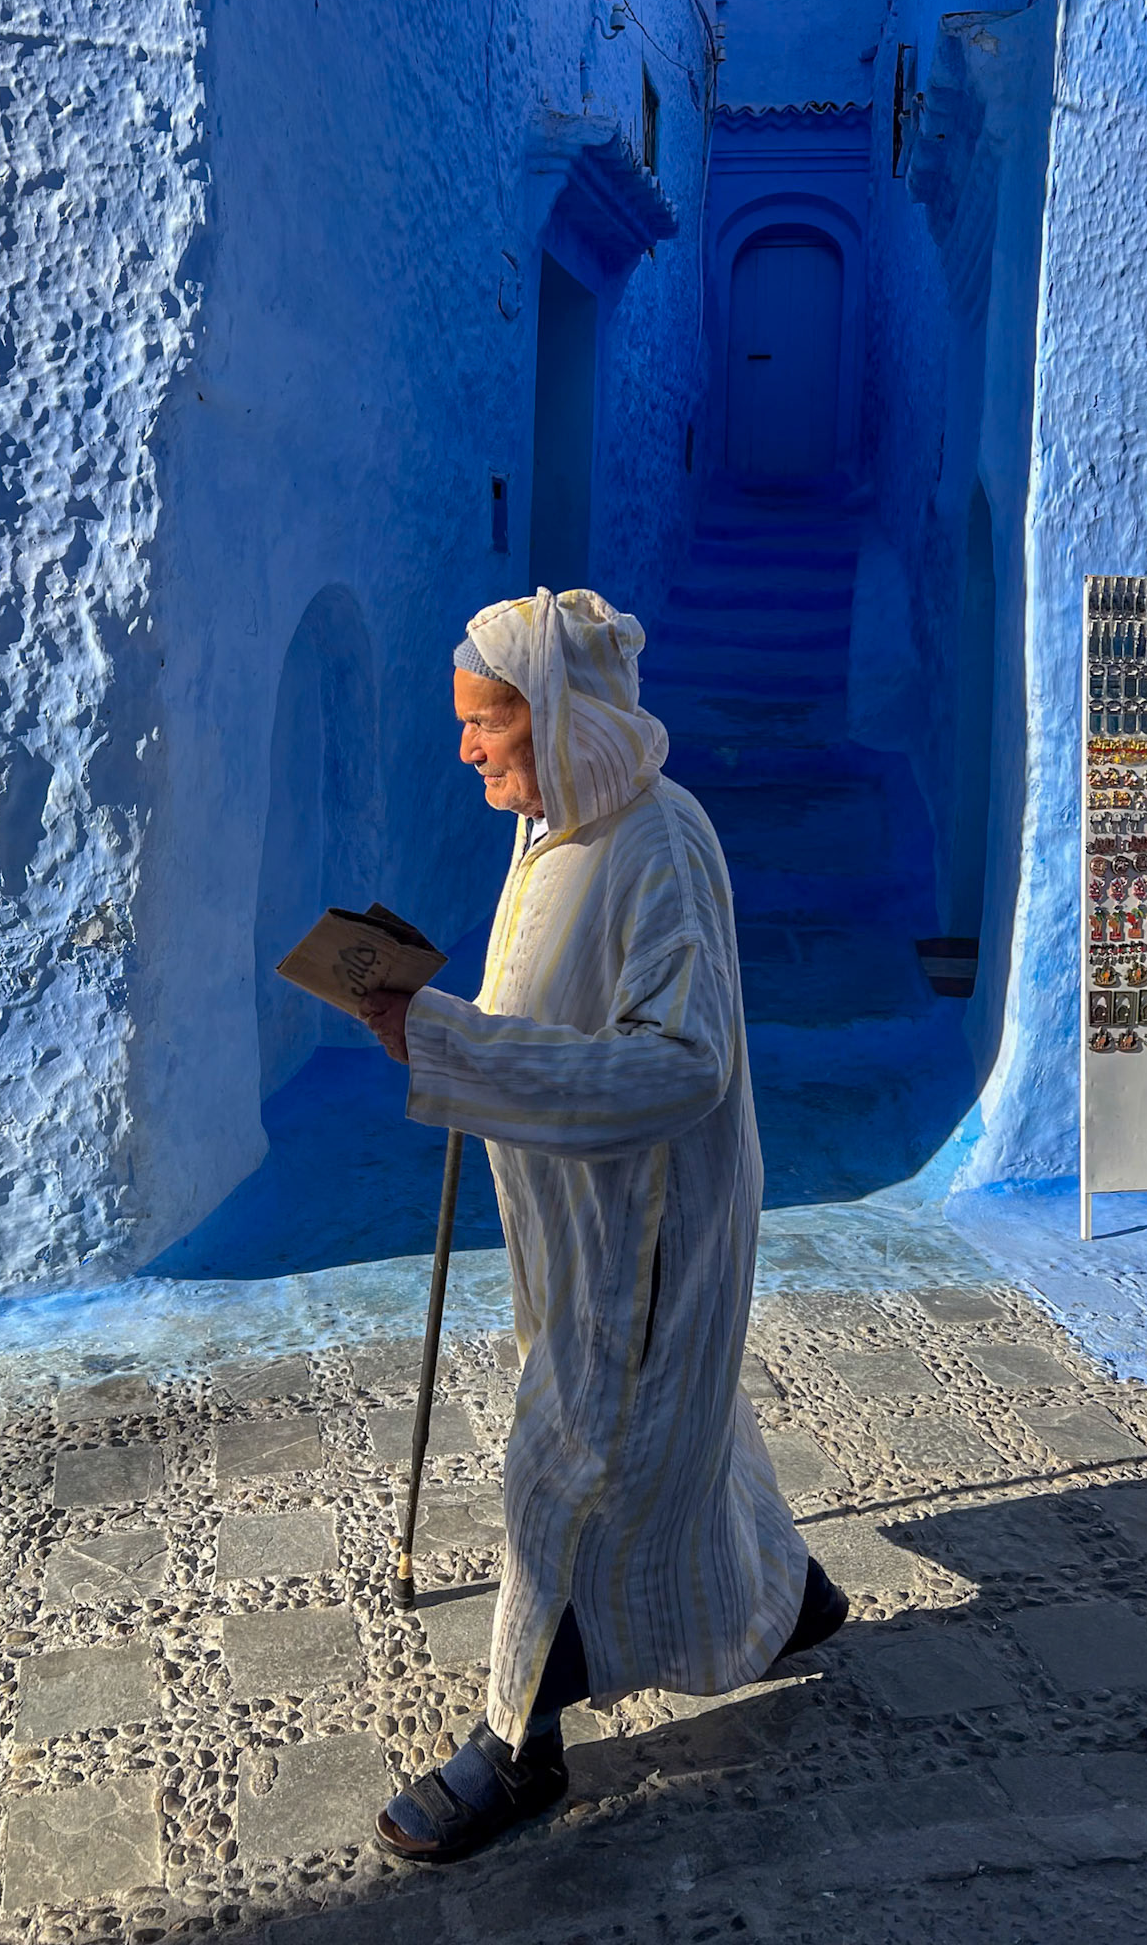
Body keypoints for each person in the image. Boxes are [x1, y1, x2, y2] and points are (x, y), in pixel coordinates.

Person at [358, 587, 846, 1864]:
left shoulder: (659, 843)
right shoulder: (551, 827)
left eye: (485, 724)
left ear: (556, 715)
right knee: (686, 1432)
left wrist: (453, 1045)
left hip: (649, 1236)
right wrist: (428, 1018)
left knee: (560, 1473)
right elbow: (549, 1015)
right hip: (578, 1229)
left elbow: (681, 1063)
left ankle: (518, 1745)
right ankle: (784, 1596)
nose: (466, 748)